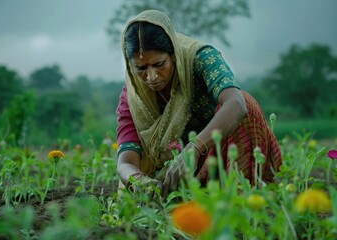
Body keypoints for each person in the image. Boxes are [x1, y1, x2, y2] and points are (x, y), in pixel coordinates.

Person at [116, 9, 282, 197]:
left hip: (221, 162)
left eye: (159, 64)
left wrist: (194, 148)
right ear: (130, 66)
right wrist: (139, 180)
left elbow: (236, 104)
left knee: (247, 103)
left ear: (174, 55)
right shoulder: (134, 95)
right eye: (140, 68)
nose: (151, 76)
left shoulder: (201, 59)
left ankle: (242, 198)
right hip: (172, 181)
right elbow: (125, 163)